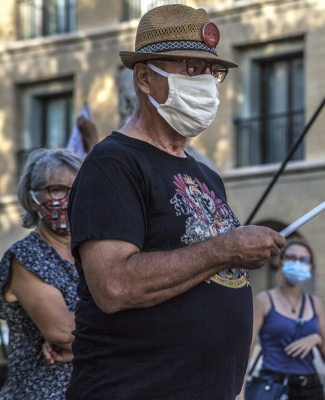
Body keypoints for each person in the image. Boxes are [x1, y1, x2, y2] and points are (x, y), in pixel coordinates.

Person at [66, 4, 285, 399]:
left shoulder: (207, 175)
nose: (206, 83)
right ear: (146, 78)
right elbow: (113, 284)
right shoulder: (113, 163)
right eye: (189, 68)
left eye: (211, 71)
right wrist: (227, 247)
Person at [0, 148, 82, 399]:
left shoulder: (91, 254)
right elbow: (64, 332)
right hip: (42, 392)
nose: (69, 199)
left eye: (77, 188)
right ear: (33, 198)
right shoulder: (25, 256)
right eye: (57, 189)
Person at [243, 240, 325, 400]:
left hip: (311, 388)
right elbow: (245, 352)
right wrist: (240, 394)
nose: (297, 263)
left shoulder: (315, 304)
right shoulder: (264, 300)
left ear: (311, 267)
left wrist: (318, 339)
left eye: (303, 259)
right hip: (273, 386)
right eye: (291, 257)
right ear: (280, 263)